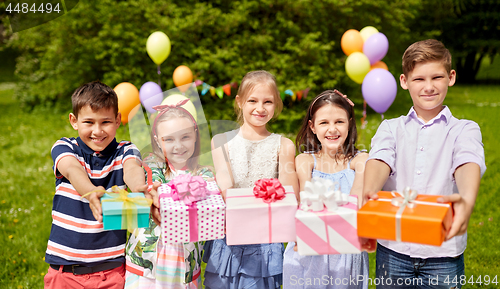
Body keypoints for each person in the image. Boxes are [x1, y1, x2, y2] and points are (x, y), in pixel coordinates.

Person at [363, 39, 486, 288]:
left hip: (443, 255)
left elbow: (467, 161)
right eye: (419, 79)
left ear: (451, 77)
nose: (428, 87)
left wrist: (468, 197)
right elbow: (380, 158)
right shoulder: (390, 127)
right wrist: (370, 189)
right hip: (393, 250)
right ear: (404, 81)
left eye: (437, 77)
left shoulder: (464, 129)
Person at [44, 81, 154, 288]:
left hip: (112, 272)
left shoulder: (125, 150)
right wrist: (90, 191)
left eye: (105, 122)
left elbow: (132, 170)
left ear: (118, 120)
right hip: (64, 272)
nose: (97, 131)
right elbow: (71, 169)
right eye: (89, 122)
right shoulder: (65, 146)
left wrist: (140, 188)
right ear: (74, 121)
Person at [203, 70, 299, 289]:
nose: (260, 108)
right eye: (252, 100)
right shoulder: (221, 142)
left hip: (265, 239)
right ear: (239, 102)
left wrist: (281, 191)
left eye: (268, 102)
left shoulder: (284, 145)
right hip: (229, 237)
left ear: (277, 105)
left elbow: (289, 193)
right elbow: (226, 188)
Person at [282, 89, 369, 289]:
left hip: (345, 251)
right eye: (324, 123)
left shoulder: (360, 161)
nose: (332, 129)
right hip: (310, 248)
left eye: (339, 121)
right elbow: (307, 200)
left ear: (349, 123)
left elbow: (354, 204)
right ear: (312, 126)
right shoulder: (305, 160)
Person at [125, 98, 215, 288]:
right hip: (146, 268)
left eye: (185, 137)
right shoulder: (151, 167)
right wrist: (153, 194)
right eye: (169, 139)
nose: (178, 146)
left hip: (185, 270)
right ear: (158, 140)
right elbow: (150, 184)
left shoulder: (205, 175)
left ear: (195, 135)